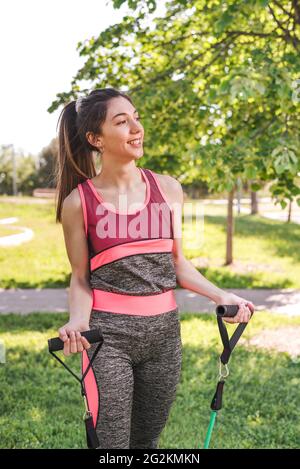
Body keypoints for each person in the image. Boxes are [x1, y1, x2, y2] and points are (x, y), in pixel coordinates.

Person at [54, 87, 255, 449]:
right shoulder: (78, 203)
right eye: (122, 121)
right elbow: (81, 279)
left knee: (146, 442)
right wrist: (78, 322)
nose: (136, 127)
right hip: (107, 340)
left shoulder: (168, 189)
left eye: (136, 118)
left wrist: (221, 295)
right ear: (95, 138)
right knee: (111, 445)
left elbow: (176, 263)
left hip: (164, 337)